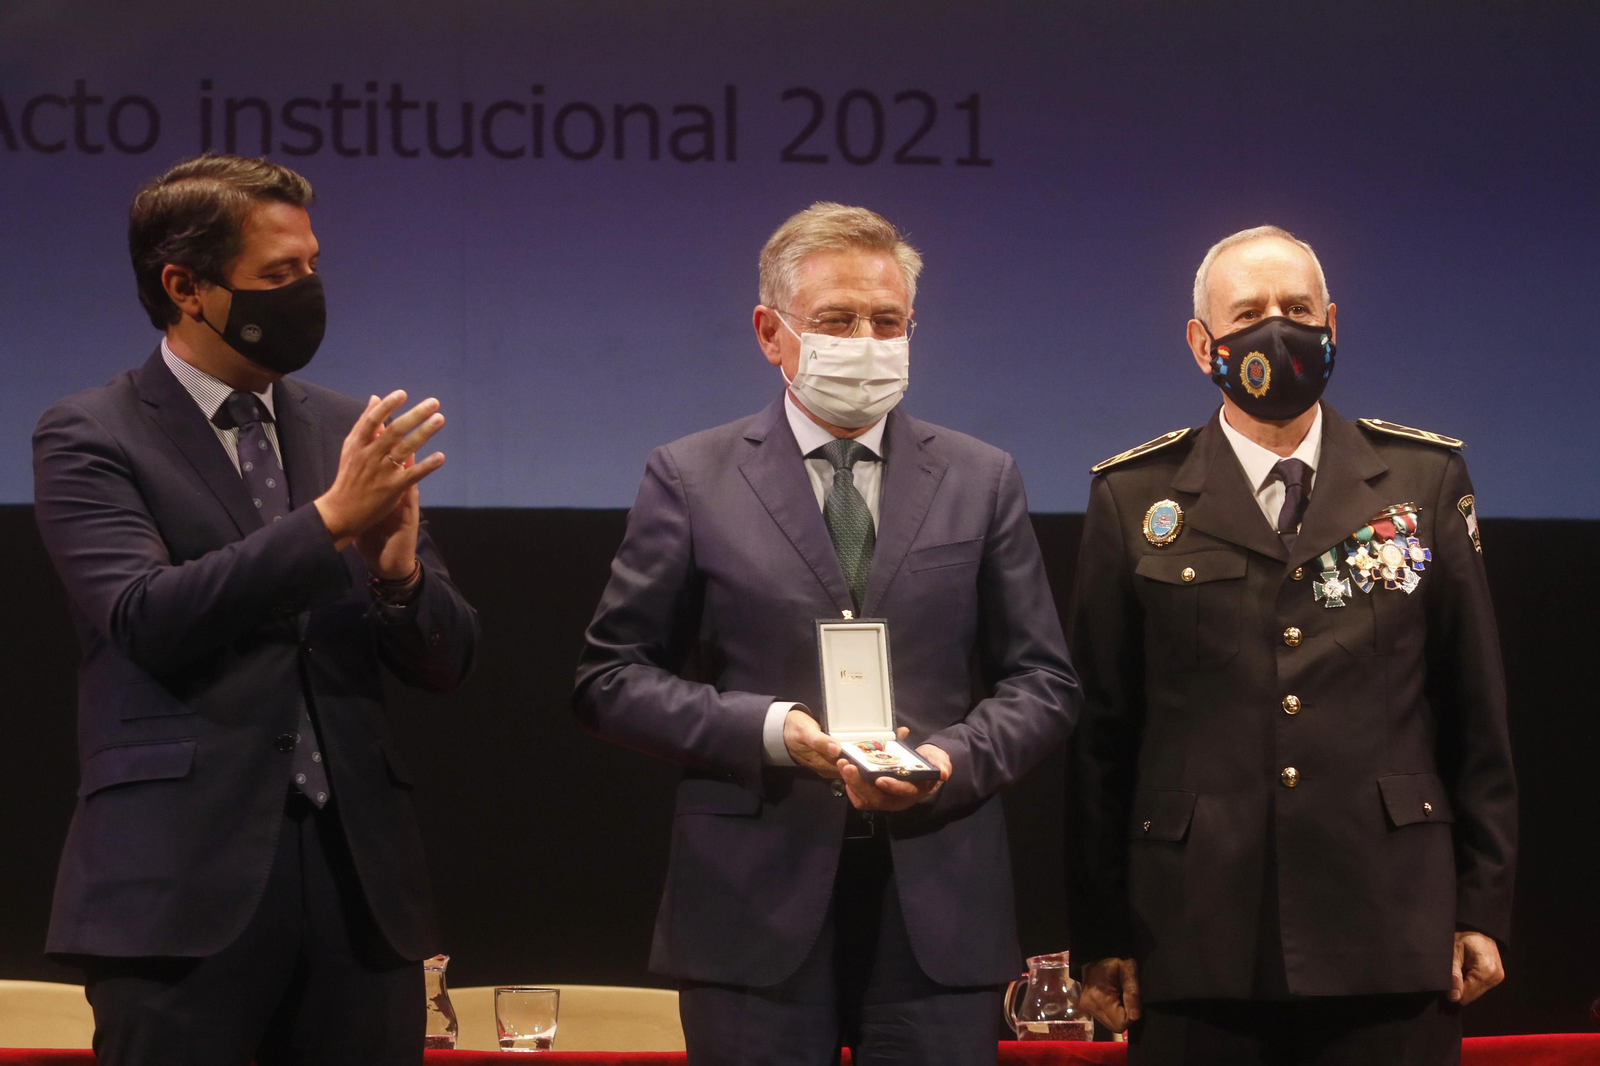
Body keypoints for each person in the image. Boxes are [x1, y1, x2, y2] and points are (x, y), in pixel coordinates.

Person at [574, 203, 1079, 1065]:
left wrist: (951, 760)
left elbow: (1044, 682)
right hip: (751, 906)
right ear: (772, 333)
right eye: (838, 321)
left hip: (938, 903)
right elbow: (610, 677)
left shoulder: (981, 477)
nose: (867, 341)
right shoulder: (691, 477)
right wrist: (771, 732)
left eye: (888, 322)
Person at [32, 154, 479, 1066]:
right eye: (280, 275)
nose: (307, 290)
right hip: (179, 894)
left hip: (361, 894)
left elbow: (447, 662)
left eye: (312, 267)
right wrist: (326, 524)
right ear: (184, 287)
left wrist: (397, 576)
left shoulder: (346, 427)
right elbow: (146, 616)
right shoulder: (90, 433)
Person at [1065, 225, 1516, 1064]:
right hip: (1196, 937)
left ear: (1332, 324)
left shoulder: (1422, 480)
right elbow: (1101, 738)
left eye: (1298, 308)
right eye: (1250, 312)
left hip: (1390, 926)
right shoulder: (1135, 498)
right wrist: (1100, 932)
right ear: (1205, 344)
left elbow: (1474, 711)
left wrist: (1481, 903)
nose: (1279, 327)